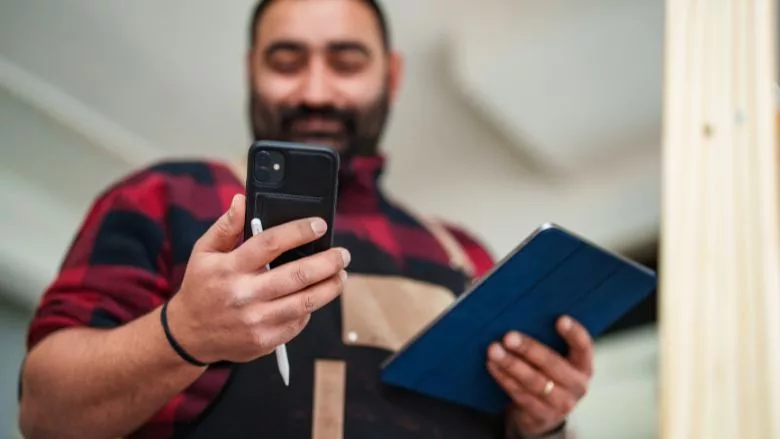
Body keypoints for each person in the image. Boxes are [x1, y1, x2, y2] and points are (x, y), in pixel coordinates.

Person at [17, 0, 595, 438]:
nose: (316, 91)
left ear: (390, 78)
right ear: (252, 72)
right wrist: (183, 334)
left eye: (346, 62)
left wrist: (539, 419)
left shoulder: (464, 255)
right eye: (286, 61)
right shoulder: (165, 196)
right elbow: (44, 414)